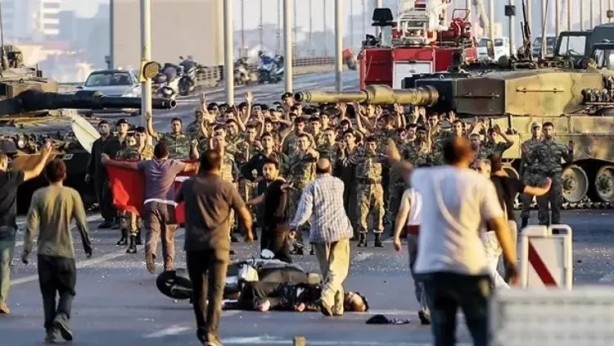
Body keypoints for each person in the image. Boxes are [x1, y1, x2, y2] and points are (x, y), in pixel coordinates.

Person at [386, 137, 517, 346]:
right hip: (470, 265)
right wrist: (510, 261)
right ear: (469, 157)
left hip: (438, 268)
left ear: (444, 157)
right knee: (480, 326)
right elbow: (499, 223)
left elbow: (406, 170)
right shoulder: (480, 184)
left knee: (443, 331)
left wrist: (394, 157)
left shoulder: (431, 180)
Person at [175, 149, 254, 346]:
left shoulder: (189, 184)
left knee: (199, 290)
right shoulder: (225, 186)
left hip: (194, 244)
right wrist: (248, 232)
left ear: (200, 164)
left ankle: (202, 329)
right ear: (219, 166)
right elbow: (244, 213)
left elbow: (174, 202)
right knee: (216, 291)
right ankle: (211, 333)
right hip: (218, 245)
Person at [21, 159, 93, 343]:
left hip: (44, 253)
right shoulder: (72, 194)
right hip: (65, 251)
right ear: (65, 174)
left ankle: (50, 331)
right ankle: (62, 316)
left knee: (48, 294)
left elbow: (31, 225)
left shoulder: (39, 195)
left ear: (46, 175)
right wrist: (87, 245)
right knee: (68, 290)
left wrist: (26, 250)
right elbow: (81, 222)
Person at [102, 142, 198, 274]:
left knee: (152, 232)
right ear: (167, 153)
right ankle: (168, 266)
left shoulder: (147, 164)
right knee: (168, 238)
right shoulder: (173, 164)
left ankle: (150, 251)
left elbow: (126, 165)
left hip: (150, 203)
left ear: (154, 153)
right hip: (168, 204)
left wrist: (108, 161)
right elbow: (193, 166)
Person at [289, 158, 353, 317]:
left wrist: (294, 225)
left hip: (319, 232)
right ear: (330, 168)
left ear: (314, 169)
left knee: (327, 271)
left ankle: (337, 306)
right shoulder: (339, 183)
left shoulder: (311, 186)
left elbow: (305, 211)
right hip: (340, 230)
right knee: (338, 269)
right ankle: (327, 297)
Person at [473, 155, 552, 284]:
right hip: (508, 225)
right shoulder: (511, 182)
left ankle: (507, 293)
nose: (475, 172)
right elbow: (534, 191)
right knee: (499, 266)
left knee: (487, 272)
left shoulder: (486, 187)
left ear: (489, 170)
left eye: (478, 169)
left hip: (491, 232)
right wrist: (546, 188)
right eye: (474, 169)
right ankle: (504, 289)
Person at [0, 141, 52, 314]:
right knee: (4, 264)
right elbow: (36, 172)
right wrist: (44, 156)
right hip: (7, 225)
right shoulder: (12, 177)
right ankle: (1, 300)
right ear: (3, 162)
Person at [392, 169, 430, 325]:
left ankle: (424, 305)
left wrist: (396, 236)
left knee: (416, 271)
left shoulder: (410, 193)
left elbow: (402, 214)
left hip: (413, 235)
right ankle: (426, 306)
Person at [246, 158, 293, 262]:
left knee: (266, 258)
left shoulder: (278, 183)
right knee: (283, 259)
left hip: (277, 229)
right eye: (265, 169)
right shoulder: (270, 187)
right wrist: (246, 204)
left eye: (270, 169)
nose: (267, 172)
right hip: (272, 227)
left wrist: (286, 186)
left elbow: (282, 187)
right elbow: (262, 198)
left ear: (277, 171)